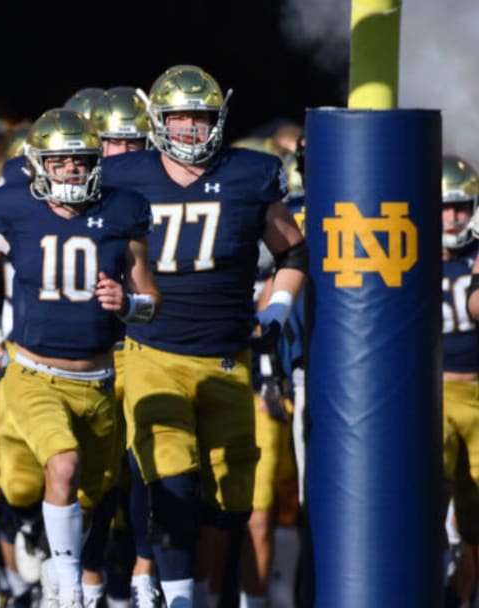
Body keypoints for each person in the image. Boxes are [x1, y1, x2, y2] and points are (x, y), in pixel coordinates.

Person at [101, 65, 306, 608]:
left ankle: (216, 595)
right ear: (158, 120)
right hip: (154, 352)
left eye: (202, 117)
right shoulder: (124, 175)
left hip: (228, 355)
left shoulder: (249, 173)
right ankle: (173, 596)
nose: (192, 129)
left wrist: (278, 311)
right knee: (173, 481)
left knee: (233, 500)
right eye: (181, 117)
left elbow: (293, 250)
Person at [0, 108, 159, 607]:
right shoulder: (14, 207)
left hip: (101, 379)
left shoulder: (122, 208)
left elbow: (151, 301)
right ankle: (65, 583)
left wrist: (127, 304)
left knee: (100, 497)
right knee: (61, 465)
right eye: (60, 160)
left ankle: (74, 580)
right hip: (35, 374)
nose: (70, 169)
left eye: (79, 160)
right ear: (38, 164)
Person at [444, 155, 479, 606]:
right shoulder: (411, 258)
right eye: (444, 207)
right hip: (434, 393)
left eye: (462, 207)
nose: (453, 218)